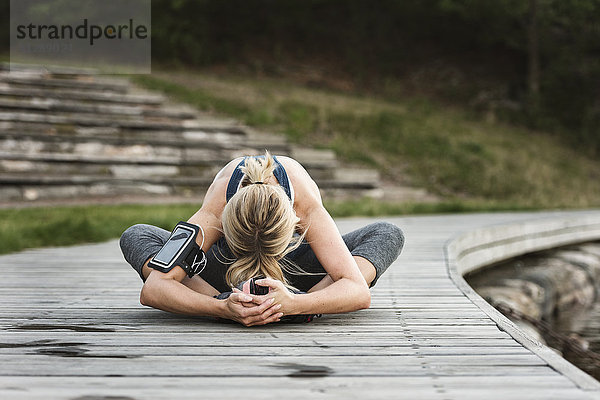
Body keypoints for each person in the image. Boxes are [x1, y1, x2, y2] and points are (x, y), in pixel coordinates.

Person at [120, 152, 404, 326]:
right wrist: (221, 307)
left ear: (294, 221)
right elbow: (154, 290)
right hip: (228, 269)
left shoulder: (302, 200)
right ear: (224, 224)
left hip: (293, 270)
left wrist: (295, 304)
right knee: (137, 235)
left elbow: (358, 292)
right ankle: (235, 301)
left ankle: (307, 299)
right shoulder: (216, 207)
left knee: (387, 233)